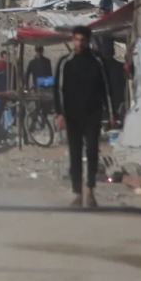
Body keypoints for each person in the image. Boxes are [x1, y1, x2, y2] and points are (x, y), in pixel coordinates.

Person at [54, 26, 115, 209]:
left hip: (92, 114)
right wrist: (60, 114)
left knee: (92, 151)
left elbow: (107, 89)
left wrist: (112, 114)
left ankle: (90, 191)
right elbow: (58, 90)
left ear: (88, 41)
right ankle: (78, 193)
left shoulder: (98, 62)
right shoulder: (65, 62)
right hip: (72, 115)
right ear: (73, 40)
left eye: (83, 40)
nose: (79, 43)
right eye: (77, 39)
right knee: (75, 153)